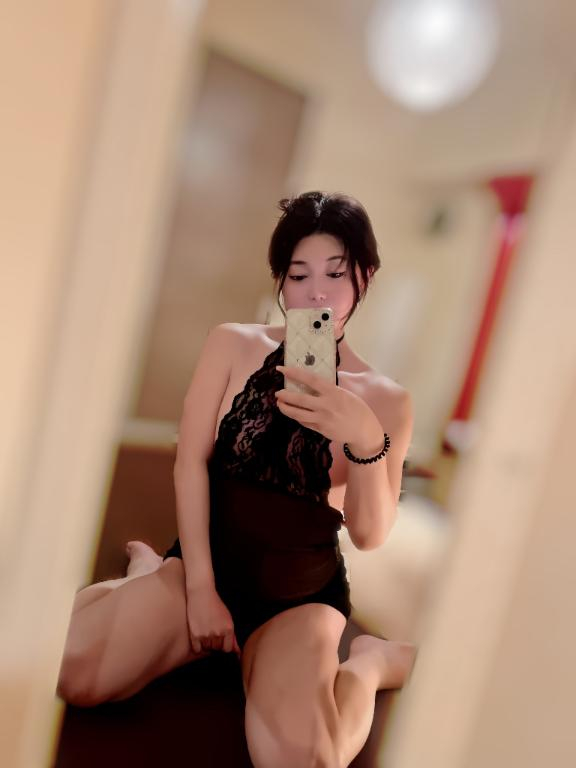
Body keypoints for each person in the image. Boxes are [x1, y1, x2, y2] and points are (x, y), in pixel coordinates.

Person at [57, 191, 417, 768]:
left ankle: (370, 664)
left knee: (307, 761)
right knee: (74, 674)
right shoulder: (232, 343)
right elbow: (190, 463)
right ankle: (147, 574)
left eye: (335, 274)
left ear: (364, 277)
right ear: (280, 280)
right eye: (298, 274)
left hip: (297, 596)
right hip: (202, 569)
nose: (317, 293)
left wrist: (367, 440)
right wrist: (200, 589)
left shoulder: (388, 400)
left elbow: (370, 535)